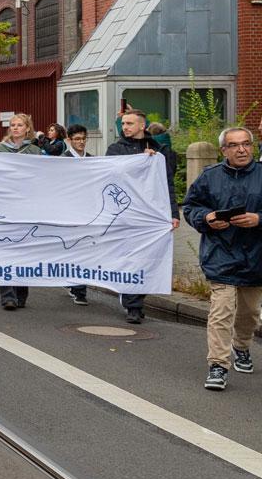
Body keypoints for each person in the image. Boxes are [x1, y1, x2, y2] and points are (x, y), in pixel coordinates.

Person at [182, 127, 262, 391]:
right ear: (223, 150)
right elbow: (191, 206)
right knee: (221, 312)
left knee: (249, 314)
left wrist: (258, 219)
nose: (241, 149)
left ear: (253, 146)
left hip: (256, 257)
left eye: (246, 144)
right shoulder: (210, 176)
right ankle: (218, 365)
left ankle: (241, 347)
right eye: (234, 145)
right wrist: (205, 219)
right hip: (221, 255)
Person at [108, 108, 179, 324]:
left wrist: (173, 213)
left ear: (142, 125)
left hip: (151, 213)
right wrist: (140, 161)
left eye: (130, 123)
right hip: (126, 213)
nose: (125, 127)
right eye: (123, 124)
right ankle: (133, 305)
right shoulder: (115, 149)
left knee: (147, 259)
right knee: (129, 257)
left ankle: (136, 298)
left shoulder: (160, 149)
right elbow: (110, 177)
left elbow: (168, 183)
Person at [0, 113, 43, 309]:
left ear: (27, 128)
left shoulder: (35, 151)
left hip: (27, 207)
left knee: (24, 252)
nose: (15, 128)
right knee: (6, 250)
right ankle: (7, 295)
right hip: (5, 207)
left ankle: (21, 293)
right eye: (12, 125)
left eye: (19, 125)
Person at [57, 123, 96, 305]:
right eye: (77, 139)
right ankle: (77, 287)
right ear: (69, 140)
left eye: (83, 139)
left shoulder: (92, 160)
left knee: (85, 249)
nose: (81, 142)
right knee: (72, 249)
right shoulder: (62, 160)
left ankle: (77, 284)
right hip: (69, 211)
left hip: (87, 211)